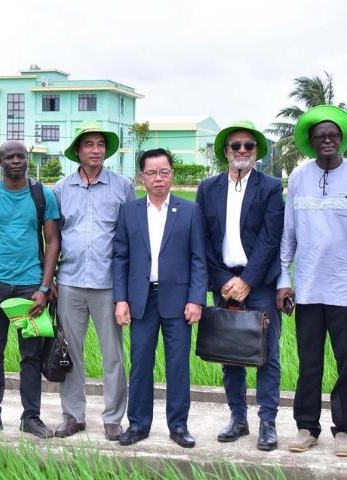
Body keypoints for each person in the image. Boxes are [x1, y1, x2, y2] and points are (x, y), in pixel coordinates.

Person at [277, 105, 347, 457]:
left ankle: (343, 430)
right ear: (311, 141)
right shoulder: (299, 179)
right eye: (320, 135)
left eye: (333, 135)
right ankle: (307, 427)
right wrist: (283, 279)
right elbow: (288, 235)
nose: (327, 140)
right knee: (309, 363)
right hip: (307, 289)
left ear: (341, 140)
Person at [196, 121, 285, 450]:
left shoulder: (271, 187)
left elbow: (270, 238)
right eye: (236, 146)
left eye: (249, 145)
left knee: (266, 353)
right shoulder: (209, 188)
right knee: (230, 351)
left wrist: (248, 280)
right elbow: (203, 237)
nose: (242, 151)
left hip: (259, 282)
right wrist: (223, 280)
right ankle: (238, 418)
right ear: (226, 152)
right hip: (223, 279)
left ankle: (267, 422)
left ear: (257, 151)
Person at [112, 148, 206, 449]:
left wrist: (196, 299)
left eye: (163, 172)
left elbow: (198, 259)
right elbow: (120, 258)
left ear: (172, 174)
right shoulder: (129, 211)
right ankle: (138, 424)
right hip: (141, 299)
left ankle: (178, 425)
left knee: (177, 364)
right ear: (142, 176)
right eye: (151, 173)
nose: (158, 179)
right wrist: (121, 299)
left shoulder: (189, 210)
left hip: (178, 301)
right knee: (140, 363)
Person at [0, 140, 61, 439]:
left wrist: (44, 288)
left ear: (27, 159)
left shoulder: (42, 195)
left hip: (29, 288)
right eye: (9, 157)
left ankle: (31, 417)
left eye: (21, 156)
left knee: (31, 356)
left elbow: (53, 242)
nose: (16, 161)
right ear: (0, 161)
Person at [52, 120, 133, 441]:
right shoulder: (61, 189)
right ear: (78, 151)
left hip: (108, 282)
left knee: (113, 353)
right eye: (89, 144)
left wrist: (125, 286)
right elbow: (53, 236)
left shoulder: (122, 187)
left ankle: (113, 417)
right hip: (69, 280)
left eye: (101, 144)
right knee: (70, 351)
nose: (96, 150)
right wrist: (51, 279)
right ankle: (73, 415)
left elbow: (129, 237)